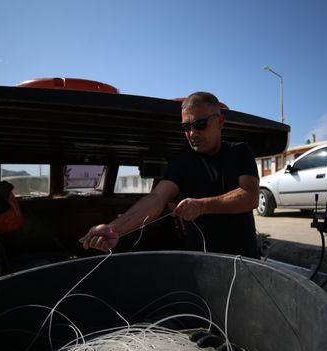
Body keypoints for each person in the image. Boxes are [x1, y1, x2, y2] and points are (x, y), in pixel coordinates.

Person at [79, 91, 260, 258]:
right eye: (186, 127)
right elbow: (156, 198)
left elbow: (250, 196)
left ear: (220, 122)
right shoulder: (181, 163)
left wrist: (201, 206)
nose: (192, 133)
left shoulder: (240, 152)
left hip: (244, 260)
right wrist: (114, 229)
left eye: (199, 124)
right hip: (201, 263)